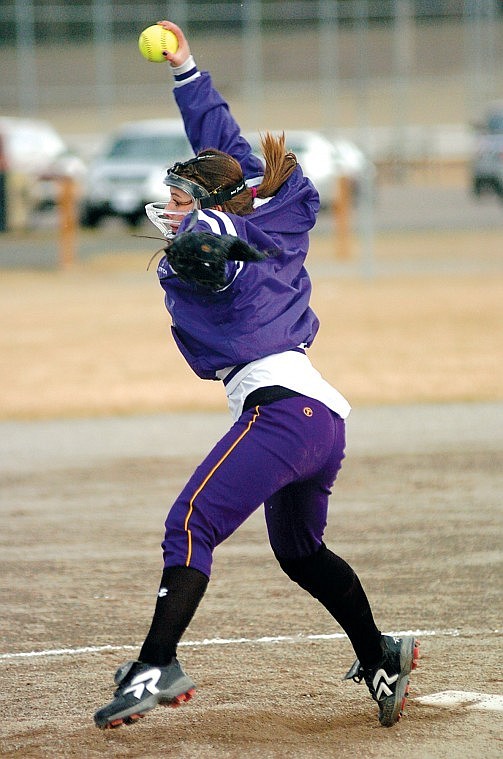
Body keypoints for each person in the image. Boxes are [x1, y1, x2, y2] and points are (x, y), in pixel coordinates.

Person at [94, 20, 419, 730]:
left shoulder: (208, 234)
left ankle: (156, 663)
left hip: (279, 412)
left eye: (181, 195)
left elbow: (211, 238)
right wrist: (186, 69)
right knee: (300, 552)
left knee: (188, 523)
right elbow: (224, 150)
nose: (172, 204)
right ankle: (379, 652)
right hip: (316, 417)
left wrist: (203, 251)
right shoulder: (270, 208)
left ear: (208, 206)